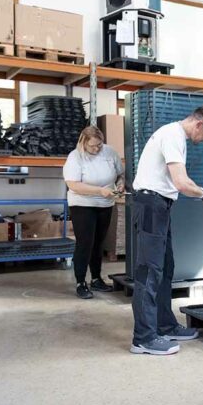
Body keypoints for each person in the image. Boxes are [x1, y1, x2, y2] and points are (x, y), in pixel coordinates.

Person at [129, 104, 203, 356]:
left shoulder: (174, 135)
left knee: (165, 268)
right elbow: (182, 183)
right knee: (149, 272)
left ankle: (165, 325)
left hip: (159, 206)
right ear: (199, 124)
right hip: (151, 205)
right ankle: (144, 338)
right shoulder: (172, 135)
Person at [63, 126, 124, 299]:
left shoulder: (109, 152)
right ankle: (80, 282)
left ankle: (96, 279)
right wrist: (99, 191)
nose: (97, 149)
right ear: (83, 142)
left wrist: (120, 183)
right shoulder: (75, 157)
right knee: (85, 243)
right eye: (93, 146)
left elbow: (120, 174)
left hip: (105, 204)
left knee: (98, 243)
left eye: (100, 145)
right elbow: (73, 185)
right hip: (82, 204)